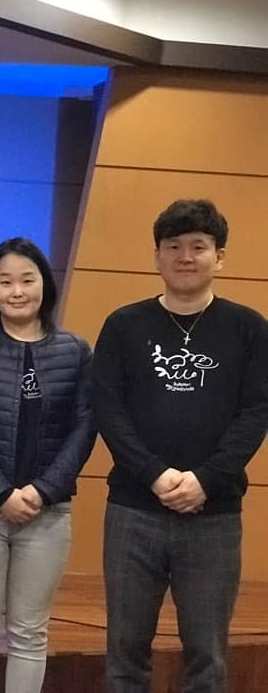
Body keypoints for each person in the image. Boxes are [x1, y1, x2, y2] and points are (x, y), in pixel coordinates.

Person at [93, 200, 268, 693]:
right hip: (133, 510)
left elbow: (257, 411)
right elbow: (108, 409)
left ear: (220, 256)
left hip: (214, 514)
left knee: (207, 659)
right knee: (124, 654)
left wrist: (205, 480)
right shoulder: (124, 325)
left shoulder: (249, 328)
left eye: (198, 246)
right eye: (173, 246)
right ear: (157, 256)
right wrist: (154, 473)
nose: (185, 257)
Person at [0, 237, 95, 693]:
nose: (16, 291)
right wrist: (0, 493)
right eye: (5, 281)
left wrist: (41, 491)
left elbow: (85, 427)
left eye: (27, 280)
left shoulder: (75, 350)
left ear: (44, 285)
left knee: (30, 633)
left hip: (48, 512)